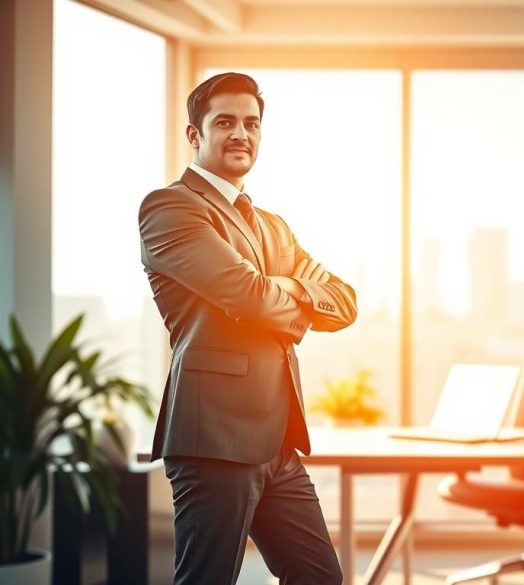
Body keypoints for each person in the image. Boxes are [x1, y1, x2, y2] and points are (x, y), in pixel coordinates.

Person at [138, 72, 355, 585]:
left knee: (320, 577)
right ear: (195, 135)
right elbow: (248, 296)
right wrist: (293, 291)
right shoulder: (170, 208)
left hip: (278, 441)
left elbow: (344, 303)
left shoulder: (273, 226)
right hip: (213, 437)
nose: (242, 134)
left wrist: (285, 290)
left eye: (252, 123)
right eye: (226, 122)